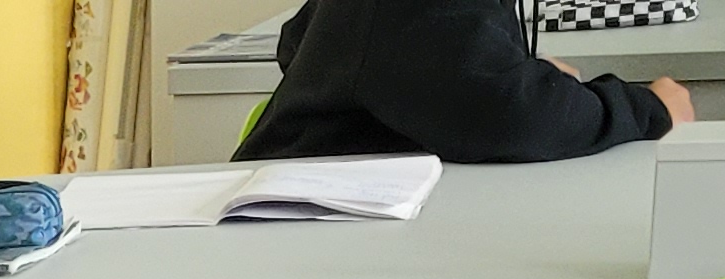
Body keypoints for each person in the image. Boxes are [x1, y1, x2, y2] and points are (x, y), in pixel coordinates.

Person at [238, 0, 693, 162]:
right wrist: (650, 110)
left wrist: (505, 65)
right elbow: (509, 116)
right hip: (291, 243)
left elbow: (299, 40)